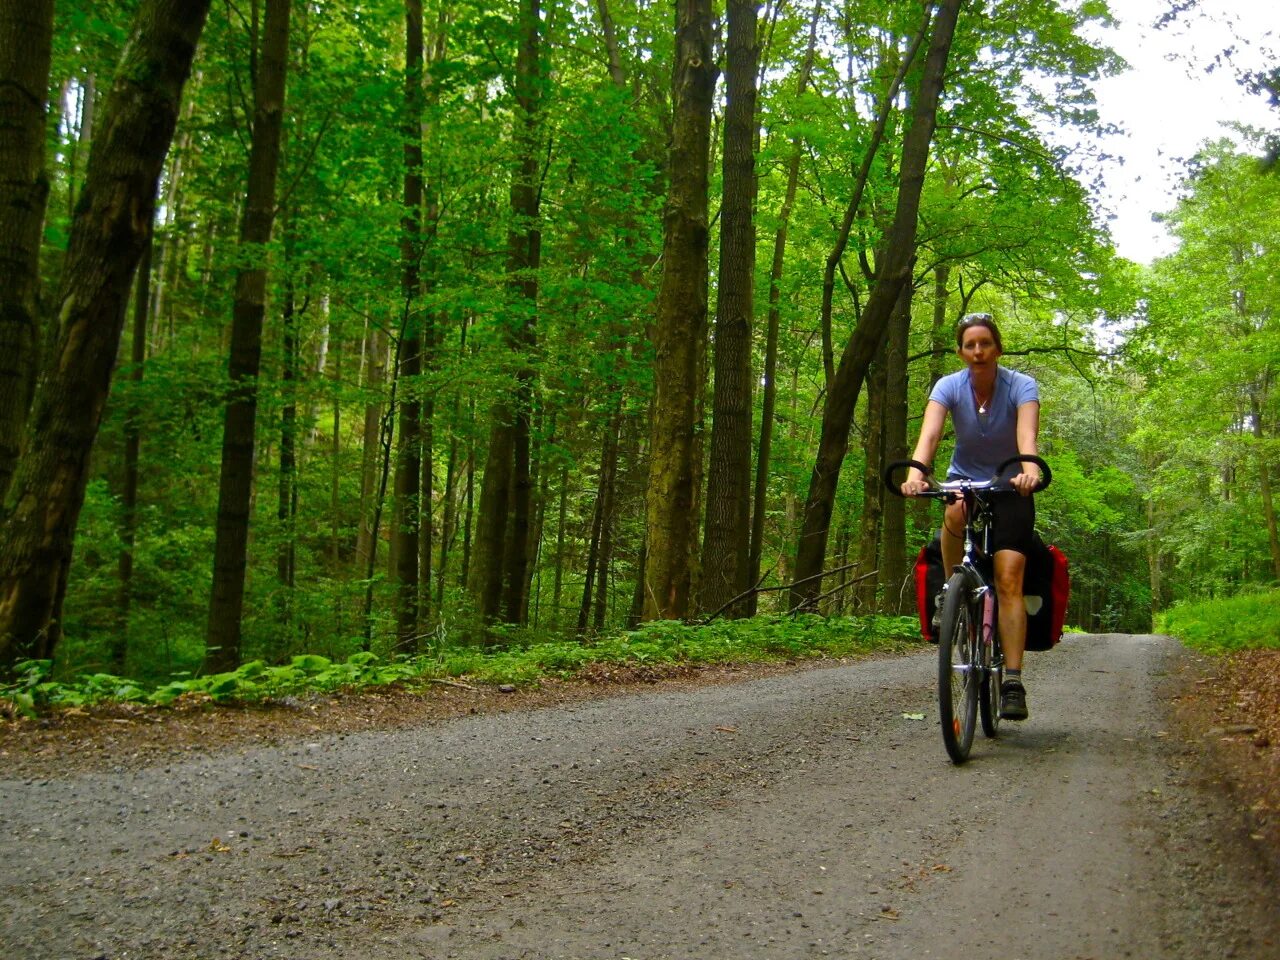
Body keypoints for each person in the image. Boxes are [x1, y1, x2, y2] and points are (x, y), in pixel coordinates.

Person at [900, 312, 1041, 720]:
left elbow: (1026, 436)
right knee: (955, 511)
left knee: (1009, 577)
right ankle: (952, 591)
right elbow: (929, 436)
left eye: (985, 343)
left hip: (1010, 483)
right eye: (969, 345)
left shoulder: (1021, 386)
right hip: (964, 479)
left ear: (997, 347)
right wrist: (915, 474)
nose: (977, 351)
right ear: (961, 351)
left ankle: (1012, 680)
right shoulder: (948, 386)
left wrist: (1029, 472)